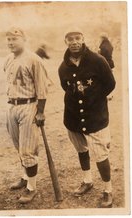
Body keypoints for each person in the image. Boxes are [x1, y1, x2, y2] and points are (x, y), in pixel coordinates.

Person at [58, 29, 116, 208]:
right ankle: (87, 180)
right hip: (73, 116)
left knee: (100, 154)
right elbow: (65, 86)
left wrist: (95, 100)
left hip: (95, 116)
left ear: (83, 40)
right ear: (66, 42)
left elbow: (110, 84)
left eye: (77, 38)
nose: (74, 42)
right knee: (82, 150)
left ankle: (108, 190)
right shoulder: (63, 66)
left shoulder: (98, 60)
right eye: (70, 39)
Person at [4, 27, 48, 204]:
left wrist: (41, 111)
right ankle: (25, 177)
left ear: (24, 40)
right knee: (19, 146)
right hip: (12, 106)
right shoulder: (8, 59)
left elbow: (42, 90)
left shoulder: (34, 59)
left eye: (15, 39)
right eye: (9, 39)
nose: (11, 42)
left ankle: (31, 187)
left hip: (29, 105)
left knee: (27, 150)